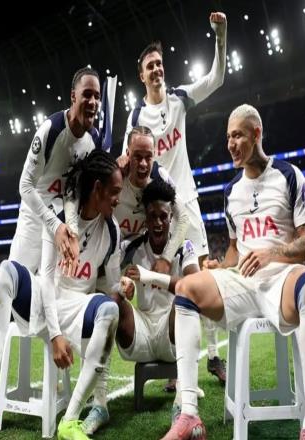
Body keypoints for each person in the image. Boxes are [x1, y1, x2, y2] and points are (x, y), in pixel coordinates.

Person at [162, 104, 305, 440]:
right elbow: (235, 249)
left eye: (237, 135)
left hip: (282, 278)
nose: (231, 144)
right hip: (241, 280)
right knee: (186, 288)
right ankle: (189, 415)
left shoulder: (289, 175)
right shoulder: (231, 192)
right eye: (228, 137)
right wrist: (221, 265)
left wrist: (272, 253)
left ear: (257, 134)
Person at [0, 150, 124, 440]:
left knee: (111, 309)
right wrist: (55, 335)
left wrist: (123, 288)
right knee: (7, 271)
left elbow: (111, 285)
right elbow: (45, 277)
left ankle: (69, 421)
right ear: (97, 189)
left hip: (77, 307)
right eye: (115, 192)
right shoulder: (59, 217)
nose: (118, 199)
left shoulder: (112, 230)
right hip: (44, 299)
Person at [119, 12, 228, 380]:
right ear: (142, 75)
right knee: (161, 278)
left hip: (187, 204)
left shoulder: (180, 99)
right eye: (150, 66)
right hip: (155, 210)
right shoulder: (136, 115)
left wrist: (220, 35)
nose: (157, 69)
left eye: (159, 63)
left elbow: (216, 79)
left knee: (200, 274)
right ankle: (174, 364)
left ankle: (213, 355)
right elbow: (126, 160)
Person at [116, 178, 200, 422]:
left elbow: (195, 286)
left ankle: (182, 402)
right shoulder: (132, 248)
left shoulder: (184, 247)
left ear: (171, 216)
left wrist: (152, 277)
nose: (158, 222)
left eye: (163, 216)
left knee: (185, 296)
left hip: (173, 335)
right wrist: (124, 286)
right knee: (111, 303)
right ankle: (99, 403)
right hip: (141, 332)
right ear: (145, 217)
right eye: (152, 216)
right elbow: (114, 280)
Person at [10, 66, 101, 276]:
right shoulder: (51, 130)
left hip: (64, 225)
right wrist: (54, 224)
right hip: (35, 221)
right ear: (73, 96)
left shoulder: (94, 140)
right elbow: (25, 185)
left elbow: (75, 190)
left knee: (51, 291)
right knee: (16, 283)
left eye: (97, 96)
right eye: (87, 94)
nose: (93, 102)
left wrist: (71, 229)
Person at [114, 125, 189, 272]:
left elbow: (183, 217)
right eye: (137, 156)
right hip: (111, 252)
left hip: (139, 256)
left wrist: (166, 258)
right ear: (127, 154)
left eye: (148, 157)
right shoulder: (116, 175)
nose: (143, 164)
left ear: (154, 155)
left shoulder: (160, 177)